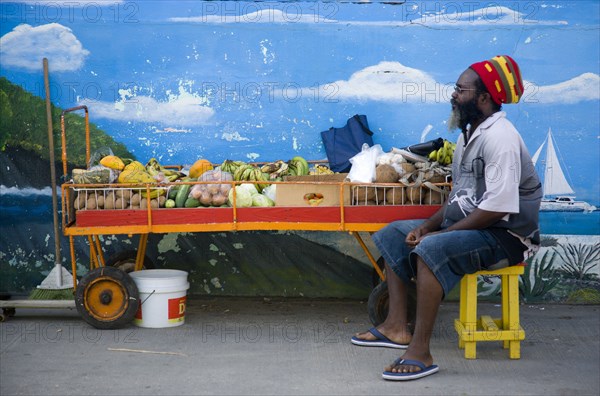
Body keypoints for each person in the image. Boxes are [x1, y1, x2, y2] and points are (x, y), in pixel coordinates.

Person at [351, 55, 542, 381]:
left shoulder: (501, 139)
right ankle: (396, 326)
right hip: (477, 224)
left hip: (505, 235)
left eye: (460, 90)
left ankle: (420, 352)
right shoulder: (469, 136)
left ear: (484, 98)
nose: (453, 95)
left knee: (430, 250)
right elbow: (460, 198)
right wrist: (428, 225)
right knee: (395, 233)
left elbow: (498, 208)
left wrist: (436, 237)